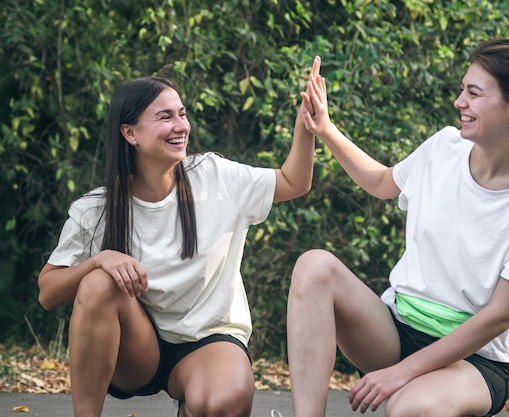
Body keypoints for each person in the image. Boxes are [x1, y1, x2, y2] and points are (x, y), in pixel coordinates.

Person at [287, 39, 509, 417]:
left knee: (409, 408)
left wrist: (400, 375)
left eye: (473, 94)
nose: (460, 102)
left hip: (474, 360)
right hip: (397, 331)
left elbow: (499, 316)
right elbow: (381, 181)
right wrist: (325, 129)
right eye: (463, 90)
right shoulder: (444, 147)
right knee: (314, 266)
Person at [37, 56, 321, 417]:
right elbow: (48, 293)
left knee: (225, 400)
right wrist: (100, 259)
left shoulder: (214, 175)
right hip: (138, 350)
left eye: (182, 114)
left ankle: (194, 404)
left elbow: (294, 182)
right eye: (165, 117)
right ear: (130, 133)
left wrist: (307, 125)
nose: (180, 125)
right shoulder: (96, 208)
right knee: (96, 284)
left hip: (208, 340)